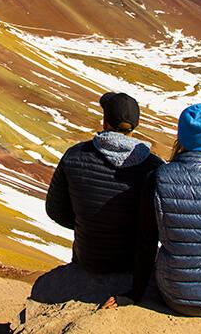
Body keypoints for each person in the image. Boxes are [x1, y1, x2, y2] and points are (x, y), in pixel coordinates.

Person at [103, 103, 201, 317]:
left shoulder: (156, 179)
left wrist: (134, 295)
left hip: (174, 296)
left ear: (180, 136)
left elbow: (147, 244)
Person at [46, 92, 165, 274]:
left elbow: (55, 210)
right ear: (137, 125)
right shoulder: (155, 168)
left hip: (87, 260)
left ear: (104, 121)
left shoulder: (75, 156)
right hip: (135, 266)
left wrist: (87, 224)